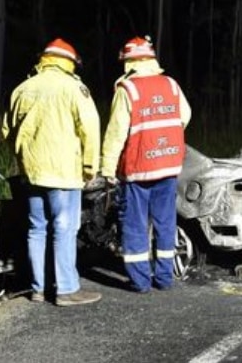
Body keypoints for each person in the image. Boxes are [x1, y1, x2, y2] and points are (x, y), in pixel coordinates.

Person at [2, 38, 103, 306]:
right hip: (64, 173)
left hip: (32, 173)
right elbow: (90, 128)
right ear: (69, 62)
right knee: (64, 227)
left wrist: (23, 158)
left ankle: (38, 288)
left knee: (36, 228)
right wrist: (90, 166)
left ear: (44, 60)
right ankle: (67, 289)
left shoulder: (22, 89)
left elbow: (7, 131)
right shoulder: (74, 88)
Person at [100, 36, 191, 293]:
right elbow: (185, 115)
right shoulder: (171, 84)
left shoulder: (127, 89)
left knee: (135, 224)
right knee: (165, 222)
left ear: (129, 61)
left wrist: (107, 169)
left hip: (138, 169)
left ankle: (140, 281)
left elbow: (116, 133)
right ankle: (164, 278)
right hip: (169, 165)